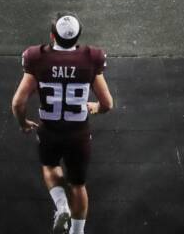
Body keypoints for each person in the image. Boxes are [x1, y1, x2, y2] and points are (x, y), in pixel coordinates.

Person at [11, 15, 113, 234]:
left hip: (50, 130)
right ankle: (77, 232)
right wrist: (96, 108)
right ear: (78, 37)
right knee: (78, 185)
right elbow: (107, 103)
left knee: (49, 167)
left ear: (52, 36)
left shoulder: (36, 57)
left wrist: (23, 122)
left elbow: (18, 102)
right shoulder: (91, 57)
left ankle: (61, 205)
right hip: (78, 133)